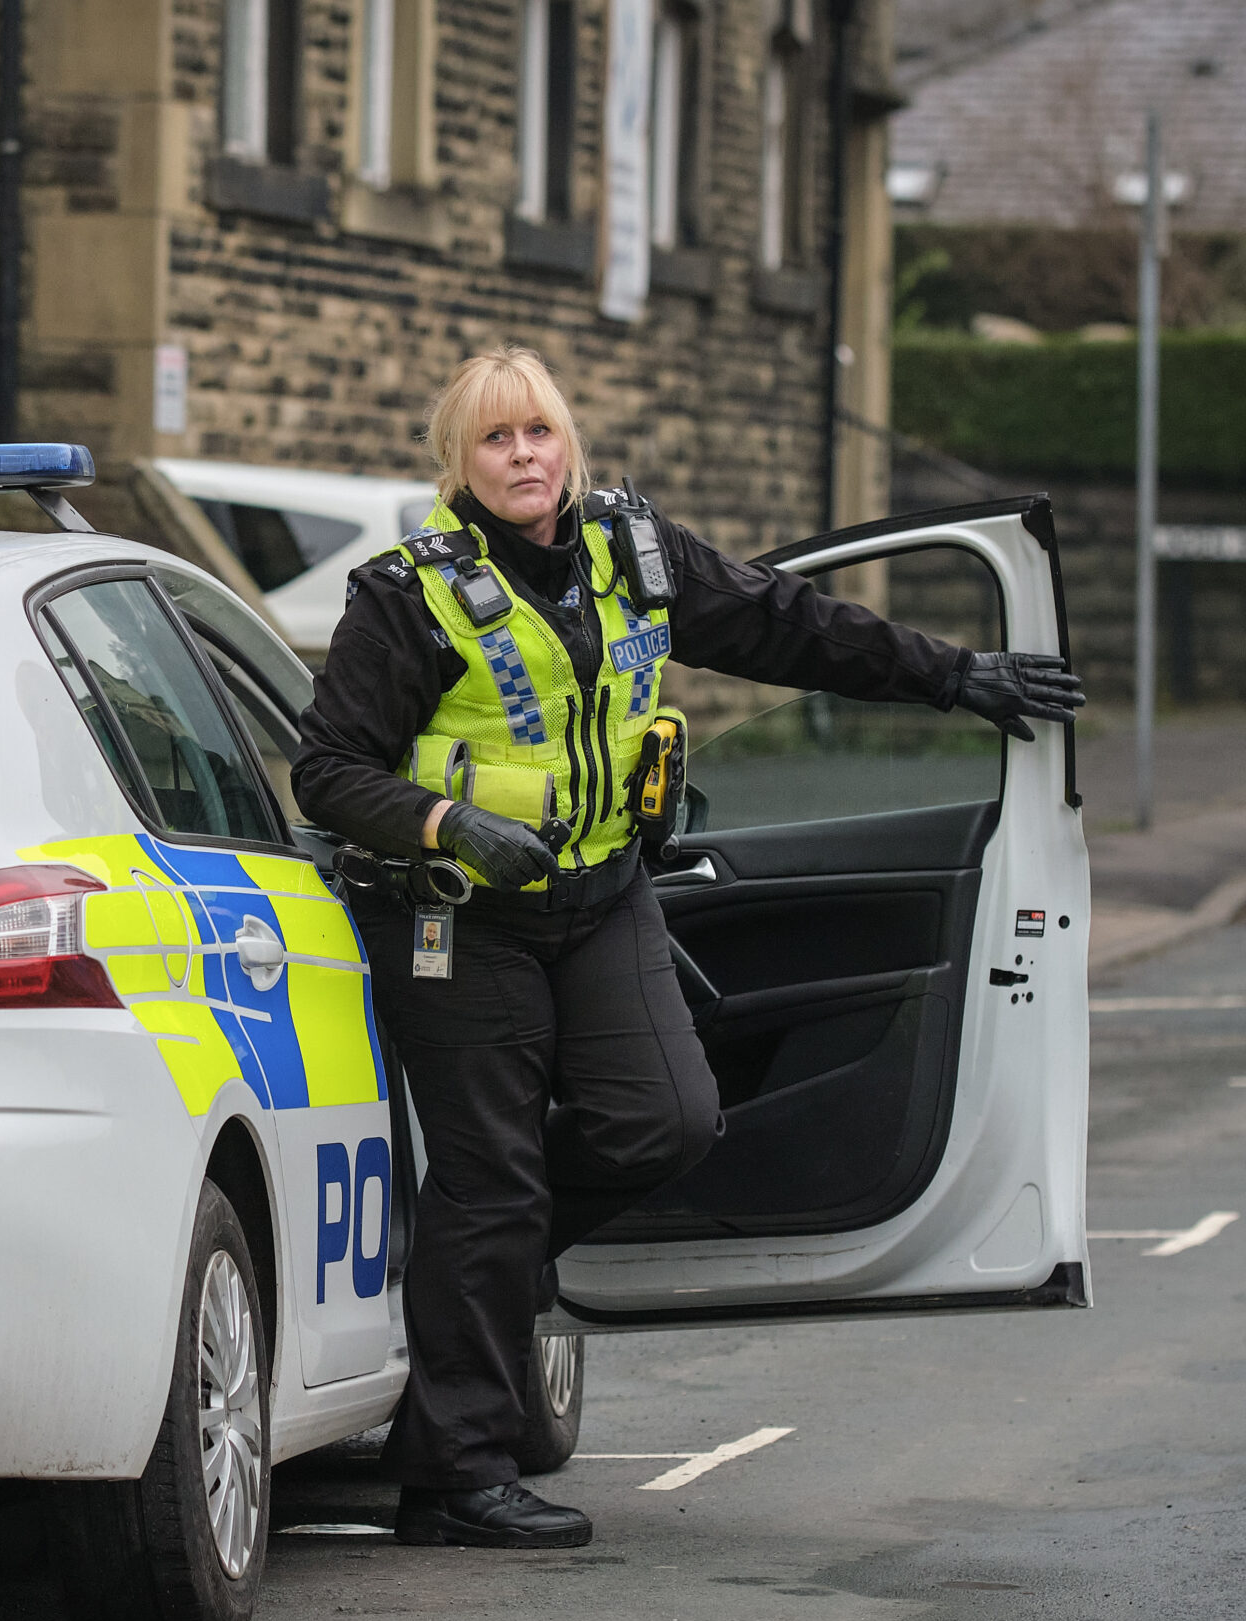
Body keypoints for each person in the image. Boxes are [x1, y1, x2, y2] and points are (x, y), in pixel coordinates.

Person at [292, 347, 1083, 1549]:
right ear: (457, 462)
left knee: (664, 1120)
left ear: (569, 443)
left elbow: (786, 625)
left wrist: (952, 674)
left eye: (539, 432)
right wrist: (448, 823)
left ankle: (479, 1258)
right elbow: (328, 771)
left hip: (602, 894)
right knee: (491, 1180)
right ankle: (452, 1476)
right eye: (496, 439)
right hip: (456, 916)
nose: (523, 456)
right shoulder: (407, 596)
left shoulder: (632, 553)